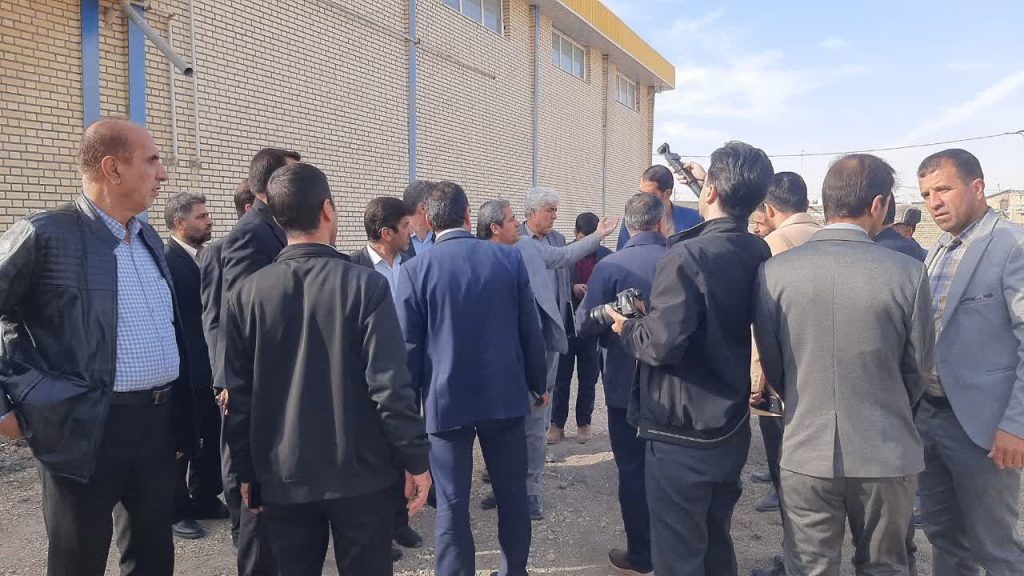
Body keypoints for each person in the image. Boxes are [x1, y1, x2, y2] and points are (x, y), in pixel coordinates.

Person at [0, 118, 193, 576]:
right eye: (152, 160)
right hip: (81, 425)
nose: (163, 174)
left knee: (153, 556)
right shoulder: (45, 234)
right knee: (78, 560)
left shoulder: (146, 237)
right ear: (113, 168)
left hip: (155, 426)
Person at [222, 163, 431, 576]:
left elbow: (239, 397)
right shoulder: (365, 285)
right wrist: (416, 460)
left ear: (278, 218)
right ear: (328, 210)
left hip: (283, 474)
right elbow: (390, 388)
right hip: (361, 475)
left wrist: (245, 471)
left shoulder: (248, 293)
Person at [754, 154, 933, 576]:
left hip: (805, 447)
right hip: (886, 448)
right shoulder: (909, 273)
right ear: (878, 205)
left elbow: (774, 365)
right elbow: (918, 369)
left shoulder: (774, 272)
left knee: (810, 567)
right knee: (885, 566)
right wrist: (888, 404)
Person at [607, 141, 774, 576]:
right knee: (715, 541)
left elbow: (660, 346)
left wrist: (628, 327)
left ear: (711, 191)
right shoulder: (755, 249)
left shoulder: (686, 254)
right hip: (729, 424)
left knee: (678, 554)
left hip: (682, 433)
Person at [396, 182, 548, 576]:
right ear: (467, 215)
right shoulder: (508, 260)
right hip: (504, 396)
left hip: (446, 403)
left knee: (451, 503)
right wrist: (539, 383)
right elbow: (529, 329)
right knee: (512, 496)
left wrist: (408, 416)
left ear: (429, 220)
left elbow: (408, 352)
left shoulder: (414, 271)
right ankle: (514, 571)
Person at [916, 149, 1024, 574]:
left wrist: (1016, 424)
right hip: (931, 418)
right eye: (926, 194)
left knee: (995, 546)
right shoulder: (938, 249)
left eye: (943, 189)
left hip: (983, 429)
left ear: (977, 187)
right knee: (944, 536)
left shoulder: (1011, 245)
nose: (934, 202)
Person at [216, 147, 301, 576]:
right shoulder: (251, 231)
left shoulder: (278, 225)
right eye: (292, 176)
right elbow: (236, 311)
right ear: (269, 186)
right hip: (252, 375)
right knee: (250, 479)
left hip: (277, 374)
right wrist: (230, 380)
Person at [577, 193, 668, 575]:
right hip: (675, 387)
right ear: (661, 223)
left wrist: (608, 313)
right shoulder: (681, 259)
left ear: (628, 226)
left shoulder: (611, 265)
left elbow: (583, 326)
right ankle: (673, 552)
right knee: (671, 471)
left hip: (623, 383)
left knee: (632, 470)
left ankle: (642, 555)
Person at [514, 189, 618, 519]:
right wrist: (598, 235)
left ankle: (531, 482)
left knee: (539, 404)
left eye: (556, 210)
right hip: (518, 339)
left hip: (550, 334)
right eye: (550, 210)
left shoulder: (557, 239)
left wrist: (565, 318)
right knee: (515, 411)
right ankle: (509, 474)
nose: (555, 216)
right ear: (532, 211)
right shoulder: (516, 241)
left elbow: (565, 263)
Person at [748, 171, 821, 576]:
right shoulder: (828, 237)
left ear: (769, 209)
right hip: (821, 375)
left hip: (782, 378)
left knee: (789, 470)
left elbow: (764, 324)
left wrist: (758, 381)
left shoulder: (773, 244)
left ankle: (794, 559)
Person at [348, 195, 424, 560]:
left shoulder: (412, 265)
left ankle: (399, 521)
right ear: (386, 233)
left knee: (401, 449)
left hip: (408, 373)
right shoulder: (353, 268)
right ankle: (379, 534)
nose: (411, 232)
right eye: (406, 226)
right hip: (370, 379)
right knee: (375, 456)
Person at [162, 192, 227, 541]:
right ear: (179, 223)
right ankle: (177, 509)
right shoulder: (167, 261)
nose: (209, 220)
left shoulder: (209, 257)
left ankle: (204, 497)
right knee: (182, 441)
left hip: (211, 366)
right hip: (183, 369)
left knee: (212, 436)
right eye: (201, 217)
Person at [197, 177, 252, 548]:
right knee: (234, 450)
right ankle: (238, 524)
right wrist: (223, 377)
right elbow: (213, 318)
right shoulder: (219, 251)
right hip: (231, 373)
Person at [549, 212, 612, 445]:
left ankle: (584, 424)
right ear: (576, 234)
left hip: (591, 327)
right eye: (584, 237)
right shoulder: (562, 255)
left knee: (588, 378)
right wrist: (573, 286)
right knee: (561, 378)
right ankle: (556, 425)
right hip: (565, 324)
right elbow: (554, 283)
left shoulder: (607, 257)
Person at [617, 164, 701, 249]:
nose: (643, 198)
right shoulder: (632, 219)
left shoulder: (694, 219)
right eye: (641, 193)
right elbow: (622, 253)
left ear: (667, 194)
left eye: (649, 194)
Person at [874, 192, 928, 262]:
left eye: (893, 227)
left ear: (908, 231)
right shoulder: (925, 254)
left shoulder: (883, 247)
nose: (889, 231)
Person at [403, 179, 436, 257]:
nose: (440, 209)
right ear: (423, 208)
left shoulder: (440, 238)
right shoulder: (396, 239)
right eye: (436, 204)